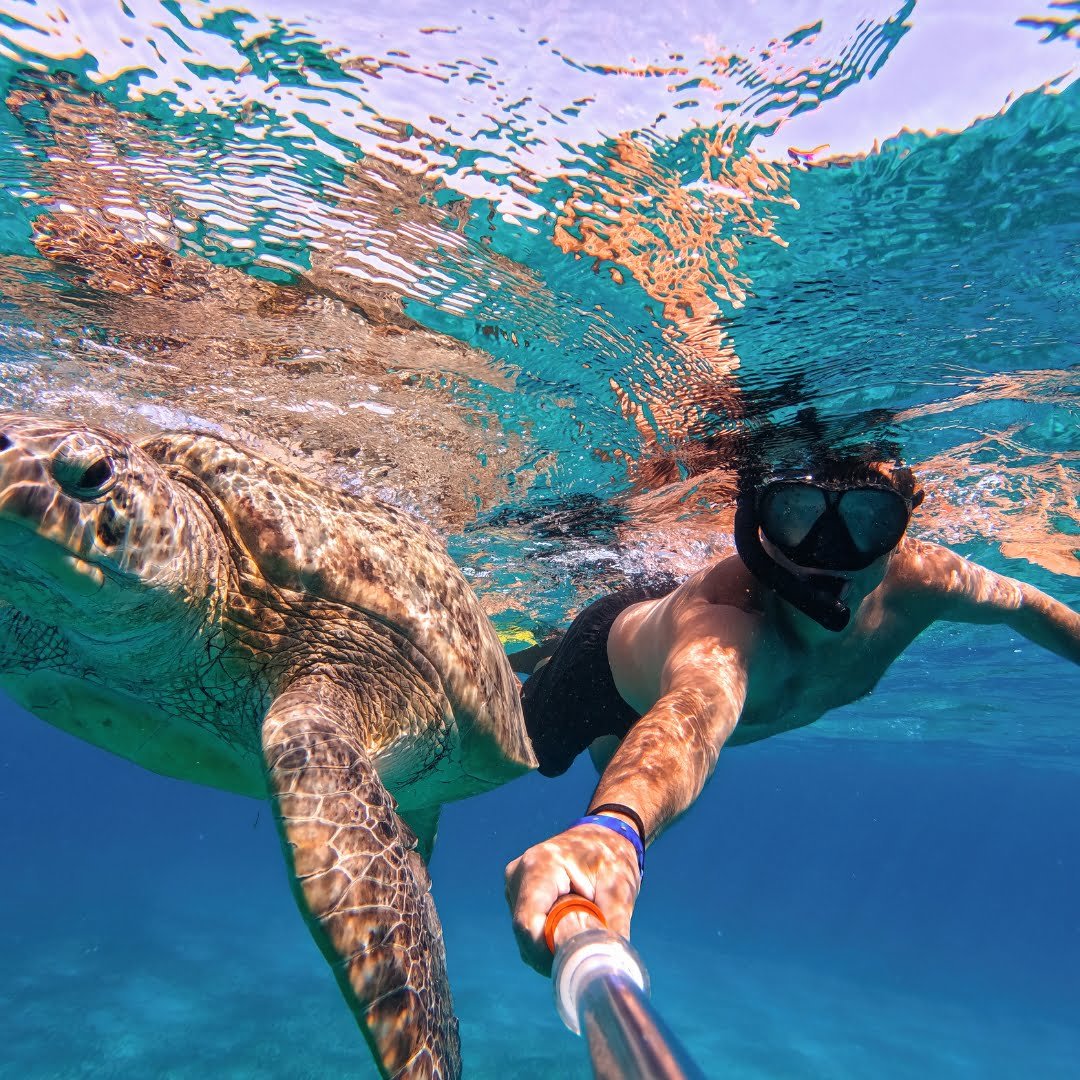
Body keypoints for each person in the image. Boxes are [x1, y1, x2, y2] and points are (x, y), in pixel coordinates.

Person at [505, 454, 1080, 974]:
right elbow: (694, 712)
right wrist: (613, 831)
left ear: (903, 526)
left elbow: (1028, 606)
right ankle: (533, 645)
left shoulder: (925, 580)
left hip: (640, 715)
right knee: (513, 751)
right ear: (759, 524)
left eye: (868, 520)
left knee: (603, 756)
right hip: (599, 675)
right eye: (797, 515)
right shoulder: (728, 618)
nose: (828, 553)